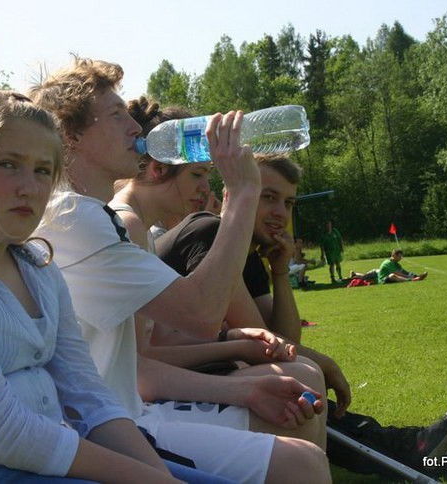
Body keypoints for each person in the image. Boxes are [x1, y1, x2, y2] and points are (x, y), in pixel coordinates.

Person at [0, 89, 226, 484]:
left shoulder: (38, 267)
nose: (29, 187)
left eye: (43, 171)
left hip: (37, 454)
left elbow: (89, 397)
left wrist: (159, 475)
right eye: (8, 165)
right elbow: (4, 433)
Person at [31, 57, 331, 484]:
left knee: (296, 426)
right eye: (116, 115)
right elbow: (201, 314)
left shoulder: (92, 215)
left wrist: (241, 378)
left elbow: (142, 360)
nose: (133, 127)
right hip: (102, 429)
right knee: (301, 462)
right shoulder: (76, 217)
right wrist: (242, 193)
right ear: (70, 135)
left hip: (122, 413)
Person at [155, 154, 447, 479]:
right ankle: (411, 448)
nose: (281, 213)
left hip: (200, 371)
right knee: (296, 380)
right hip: (159, 381)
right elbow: (264, 340)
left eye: (288, 202)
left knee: (295, 381)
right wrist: (325, 363)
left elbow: (285, 337)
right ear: (233, 193)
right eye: (268, 197)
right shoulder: (210, 232)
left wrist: (280, 271)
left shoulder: (247, 254)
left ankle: (411, 448)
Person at [110, 96, 328, 448]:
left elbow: (149, 350)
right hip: (126, 411)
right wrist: (242, 194)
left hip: (134, 397)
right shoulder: (129, 225)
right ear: (158, 169)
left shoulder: (140, 231)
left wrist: (233, 342)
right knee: (300, 393)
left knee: (302, 378)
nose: (205, 188)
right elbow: (195, 324)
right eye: (198, 174)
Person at [319, 219, 344, 283]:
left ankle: (340, 276)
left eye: (329, 224)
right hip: (329, 252)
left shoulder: (335, 231)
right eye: (327, 224)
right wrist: (322, 254)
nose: (328, 225)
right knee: (332, 264)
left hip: (337, 251)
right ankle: (332, 278)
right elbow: (322, 245)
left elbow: (340, 239)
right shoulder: (323, 235)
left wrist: (342, 247)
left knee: (338, 263)